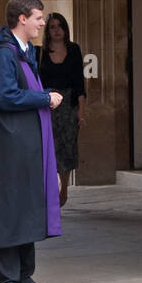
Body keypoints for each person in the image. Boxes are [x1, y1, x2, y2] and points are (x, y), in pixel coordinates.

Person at [0, 0, 63, 283]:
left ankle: (24, 276)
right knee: (11, 208)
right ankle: (4, 282)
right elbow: (5, 95)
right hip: (10, 143)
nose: (43, 23)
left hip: (28, 141)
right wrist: (44, 98)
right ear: (23, 19)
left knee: (29, 207)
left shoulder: (25, 49)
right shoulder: (3, 53)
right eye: (39, 18)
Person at [38, 11, 86, 207]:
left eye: (60, 26)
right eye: (52, 27)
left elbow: (78, 82)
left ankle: (63, 187)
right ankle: (51, 186)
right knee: (50, 146)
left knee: (67, 147)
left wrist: (82, 109)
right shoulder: (38, 52)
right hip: (47, 104)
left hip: (68, 105)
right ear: (47, 31)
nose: (56, 30)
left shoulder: (74, 49)